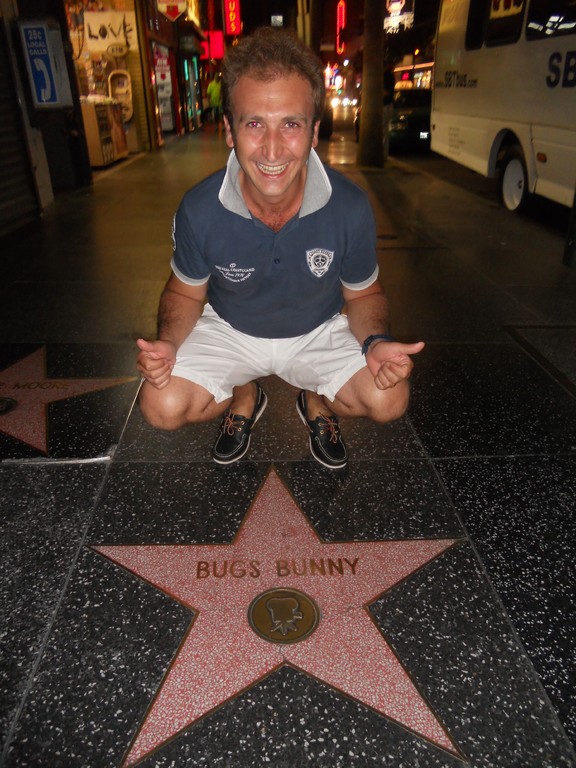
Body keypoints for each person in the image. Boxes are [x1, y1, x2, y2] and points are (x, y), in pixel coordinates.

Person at [136, 27, 424, 470]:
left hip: (315, 331)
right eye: (254, 124)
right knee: (162, 404)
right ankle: (245, 392)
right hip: (231, 330)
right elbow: (184, 292)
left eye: (291, 124)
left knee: (389, 398)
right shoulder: (199, 207)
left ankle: (316, 396)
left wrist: (376, 342)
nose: (272, 149)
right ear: (229, 130)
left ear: (314, 131)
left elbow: (364, 293)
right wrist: (168, 345)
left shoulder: (349, 206)